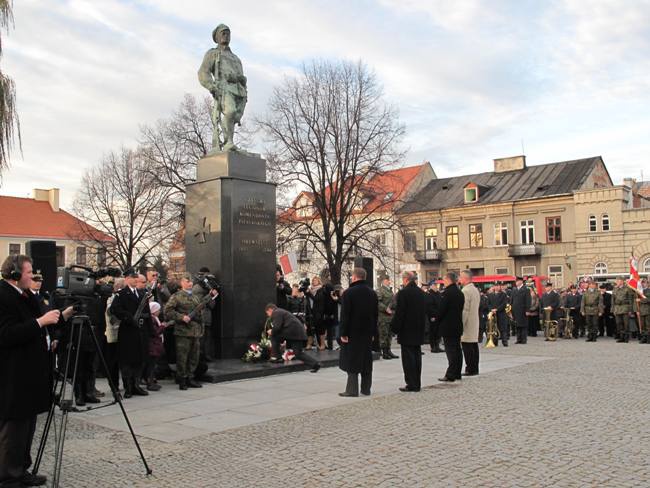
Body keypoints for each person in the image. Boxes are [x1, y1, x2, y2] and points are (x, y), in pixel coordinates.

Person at [0, 255, 72, 488]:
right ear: (14, 274)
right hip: (13, 373)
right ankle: (9, 475)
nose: (33, 276)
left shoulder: (27, 295)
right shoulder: (3, 296)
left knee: (28, 424)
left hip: (31, 372)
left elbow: (43, 321)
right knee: (14, 427)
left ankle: (22, 469)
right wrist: (40, 322)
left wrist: (62, 317)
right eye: (29, 272)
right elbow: (7, 334)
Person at [198, 23, 247, 152]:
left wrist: (243, 82)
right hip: (224, 89)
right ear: (217, 37)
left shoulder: (236, 58)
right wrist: (211, 86)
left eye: (228, 33)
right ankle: (228, 142)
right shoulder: (213, 53)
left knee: (235, 117)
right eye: (223, 33)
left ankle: (229, 143)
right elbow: (203, 72)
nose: (226, 35)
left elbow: (241, 76)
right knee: (229, 112)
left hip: (239, 92)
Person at [165, 274, 216, 390]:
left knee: (194, 357)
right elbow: (167, 311)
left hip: (195, 331)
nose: (190, 283)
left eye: (191, 281)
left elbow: (200, 309)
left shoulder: (195, 297)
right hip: (183, 332)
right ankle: (182, 379)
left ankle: (190, 377)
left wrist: (210, 296)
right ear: (182, 283)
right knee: (182, 357)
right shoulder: (176, 296)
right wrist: (181, 317)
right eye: (187, 281)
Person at [110, 270, 150, 398]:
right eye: (133, 278)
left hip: (140, 330)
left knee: (139, 359)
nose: (135, 280)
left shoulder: (141, 293)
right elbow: (114, 309)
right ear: (127, 279)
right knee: (127, 360)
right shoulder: (121, 294)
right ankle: (128, 387)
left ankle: (136, 385)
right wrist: (128, 317)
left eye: (136, 278)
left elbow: (147, 310)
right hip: (128, 331)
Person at [338, 268, 378, 397]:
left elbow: (345, 315)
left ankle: (352, 390)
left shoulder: (348, 293)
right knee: (366, 360)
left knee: (352, 360)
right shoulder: (372, 293)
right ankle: (366, 389)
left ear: (354, 277)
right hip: (367, 332)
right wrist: (373, 332)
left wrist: (343, 333)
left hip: (352, 332)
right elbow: (375, 315)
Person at [391, 271, 427, 392]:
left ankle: (411, 383)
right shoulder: (421, 293)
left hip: (407, 330)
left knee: (408, 359)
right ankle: (417, 382)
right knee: (417, 357)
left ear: (406, 280)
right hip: (418, 329)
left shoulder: (403, 293)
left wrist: (394, 328)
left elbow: (400, 313)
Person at [265, 304, 321, 372]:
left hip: (292, 333)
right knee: (298, 353)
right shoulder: (281, 312)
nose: (268, 315)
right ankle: (315, 364)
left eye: (267, 313)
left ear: (270, 310)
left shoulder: (276, 312)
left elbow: (277, 327)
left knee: (274, 336)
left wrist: (271, 331)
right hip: (296, 333)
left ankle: (277, 357)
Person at [437, 272, 465, 382]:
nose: (443, 282)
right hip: (457, 324)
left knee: (451, 351)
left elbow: (442, 309)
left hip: (448, 326)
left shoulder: (447, 293)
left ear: (448, 280)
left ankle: (451, 374)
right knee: (457, 349)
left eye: (444, 279)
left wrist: (437, 319)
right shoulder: (459, 292)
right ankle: (457, 372)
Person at [104, 278, 124, 391]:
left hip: (120, 333)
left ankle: (116, 384)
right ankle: (114, 385)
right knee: (113, 361)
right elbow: (110, 313)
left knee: (117, 361)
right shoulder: (111, 299)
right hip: (113, 333)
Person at [459, 270, 480, 376]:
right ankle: (475, 368)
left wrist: (461, 324)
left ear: (466, 278)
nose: (459, 279)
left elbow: (465, 310)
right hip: (474, 321)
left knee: (467, 347)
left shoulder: (466, 291)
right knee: (474, 346)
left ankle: (470, 368)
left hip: (468, 323)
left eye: (461, 277)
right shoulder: (475, 289)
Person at [143, 302, 167, 391]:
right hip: (153, 346)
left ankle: (151, 381)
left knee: (152, 365)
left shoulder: (155, 318)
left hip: (155, 345)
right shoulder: (152, 320)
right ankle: (150, 383)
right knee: (151, 366)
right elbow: (155, 332)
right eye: (158, 310)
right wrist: (163, 327)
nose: (159, 311)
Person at [377, 276, 398, 360]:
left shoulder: (390, 291)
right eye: (388, 280)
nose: (389, 282)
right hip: (383, 317)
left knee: (389, 335)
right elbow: (377, 302)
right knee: (383, 335)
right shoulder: (380, 290)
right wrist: (385, 308)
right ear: (383, 281)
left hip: (390, 317)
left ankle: (388, 350)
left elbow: (393, 302)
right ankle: (384, 352)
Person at [612, 276, 637, 343]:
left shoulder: (627, 289)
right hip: (617, 308)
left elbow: (630, 300)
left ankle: (626, 337)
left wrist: (630, 310)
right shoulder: (615, 289)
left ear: (622, 281)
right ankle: (621, 337)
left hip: (625, 307)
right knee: (618, 323)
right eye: (616, 280)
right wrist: (613, 309)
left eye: (618, 280)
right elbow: (613, 300)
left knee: (626, 323)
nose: (617, 282)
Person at [511, 277, 532, 344]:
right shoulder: (514, 290)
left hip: (523, 310)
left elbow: (528, 300)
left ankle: (524, 339)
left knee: (523, 325)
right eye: (515, 281)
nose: (516, 283)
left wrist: (527, 310)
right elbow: (511, 300)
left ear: (521, 282)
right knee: (517, 325)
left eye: (517, 281)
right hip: (515, 310)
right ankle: (518, 339)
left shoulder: (526, 289)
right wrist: (510, 309)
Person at [427, 284, 444, 353]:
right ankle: (433, 346)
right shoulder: (430, 295)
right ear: (431, 287)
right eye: (434, 286)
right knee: (433, 331)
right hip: (433, 316)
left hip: (439, 316)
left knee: (438, 332)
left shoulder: (438, 294)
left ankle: (437, 346)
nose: (436, 287)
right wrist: (432, 316)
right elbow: (429, 307)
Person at [637, 279, 650, 343]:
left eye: (644, 283)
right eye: (642, 283)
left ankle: (648, 338)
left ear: (647, 284)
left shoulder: (649, 290)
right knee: (642, 325)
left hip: (648, 310)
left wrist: (640, 300)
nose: (643, 284)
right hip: (641, 310)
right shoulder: (640, 291)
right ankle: (644, 337)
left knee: (648, 325)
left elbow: (649, 299)